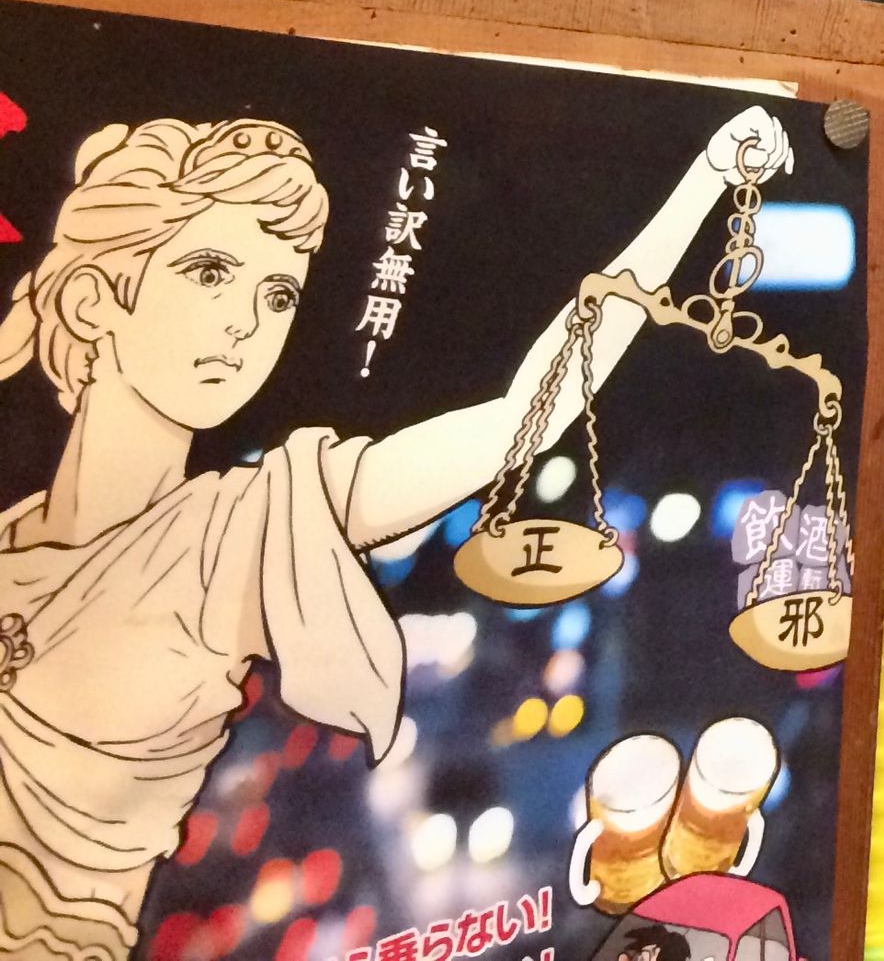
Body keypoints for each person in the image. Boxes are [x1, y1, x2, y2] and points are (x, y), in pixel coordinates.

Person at [0, 103, 790, 960]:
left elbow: (528, 411)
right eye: (208, 271)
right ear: (90, 300)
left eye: (277, 295)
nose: (246, 323)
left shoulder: (250, 518)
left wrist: (706, 176)